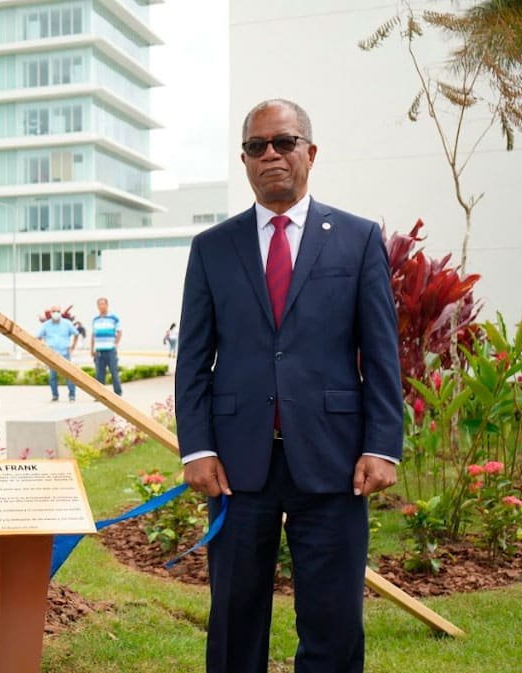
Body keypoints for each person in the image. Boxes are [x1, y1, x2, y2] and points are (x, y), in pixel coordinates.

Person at [175, 99, 403, 673]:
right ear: (245, 160)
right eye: (257, 146)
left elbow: (380, 353)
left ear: (310, 152)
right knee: (233, 616)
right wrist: (197, 448)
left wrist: (382, 445)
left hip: (333, 460)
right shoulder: (212, 248)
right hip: (237, 465)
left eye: (284, 142)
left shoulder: (356, 239)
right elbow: (194, 359)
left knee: (333, 620)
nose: (270, 154)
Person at [37, 305, 79, 401]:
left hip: (65, 353)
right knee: (52, 376)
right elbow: (38, 337)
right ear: (51, 313)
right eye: (54, 311)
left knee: (69, 375)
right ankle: (55, 395)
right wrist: (42, 349)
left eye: (58, 311)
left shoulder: (67, 323)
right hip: (51, 354)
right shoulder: (46, 325)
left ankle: (72, 395)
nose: (56, 313)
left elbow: (76, 334)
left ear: (60, 312)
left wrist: (73, 347)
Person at [90, 297, 122, 395]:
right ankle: (100, 394)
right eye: (99, 304)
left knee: (114, 372)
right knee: (99, 374)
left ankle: (118, 393)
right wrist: (92, 349)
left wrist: (115, 344)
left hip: (110, 350)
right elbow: (93, 335)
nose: (101, 306)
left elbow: (119, 332)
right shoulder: (95, 320)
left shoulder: (114, 318)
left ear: (107, 305)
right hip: (99, 351)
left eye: (103, 304)